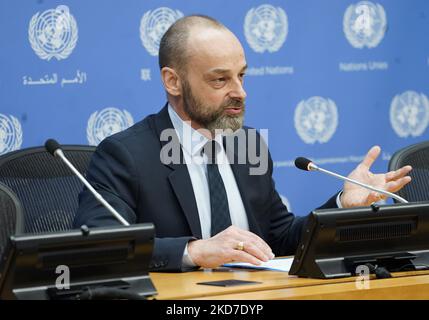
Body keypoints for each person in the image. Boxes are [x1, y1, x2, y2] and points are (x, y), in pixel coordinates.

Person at [74, 15, 412, 272]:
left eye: (241, 75)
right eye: (220, 79)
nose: (240, 92)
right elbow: (101, 248)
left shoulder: (246, 144)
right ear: (173, 81)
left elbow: (278, 237)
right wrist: (192, 251)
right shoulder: (127, 154)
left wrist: (341, 205)